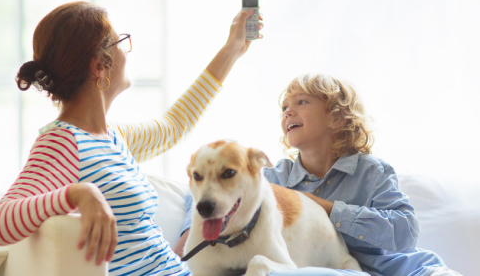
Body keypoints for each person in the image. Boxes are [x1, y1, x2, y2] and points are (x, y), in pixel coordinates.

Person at [0, 1, 263, 275]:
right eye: (121, 43)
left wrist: (232, 50)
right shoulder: (62, 143)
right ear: (98, 66)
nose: (128, 53)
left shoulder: (112, 136)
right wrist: (78, 193)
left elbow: (173, 126)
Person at [175, 74, 461, 276]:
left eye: (300, 102)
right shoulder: (276, 177)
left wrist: (330, 210)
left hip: (408, 270)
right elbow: (209, 189)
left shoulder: (372, 171)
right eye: (284, 107)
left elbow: (406, 232)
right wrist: (193, 233)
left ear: (335, 117)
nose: (287, 112)